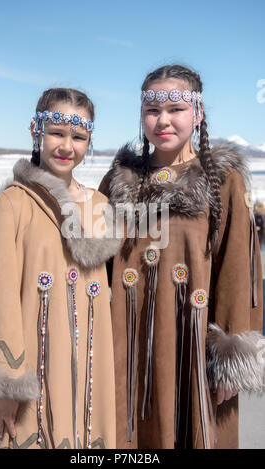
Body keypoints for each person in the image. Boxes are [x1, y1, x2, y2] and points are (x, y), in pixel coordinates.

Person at [98, 65, 264, 449]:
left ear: (198, 114)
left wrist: (230, 356)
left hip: (192, 340)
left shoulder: (222, 179)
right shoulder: (119, 180)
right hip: (128, 341)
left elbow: (238, 271)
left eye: (176, 108)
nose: (163, 120)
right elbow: (97, 263)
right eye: (153, 110)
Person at [0, 88, 120, 449]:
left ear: (89, 141)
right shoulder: (13, 202)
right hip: (35, 361)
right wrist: (4, 384)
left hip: (92, 365)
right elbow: (1, 294)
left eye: (78, 137)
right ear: (36, 132)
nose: (67, 146)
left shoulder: (100, 204)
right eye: (57, 133)